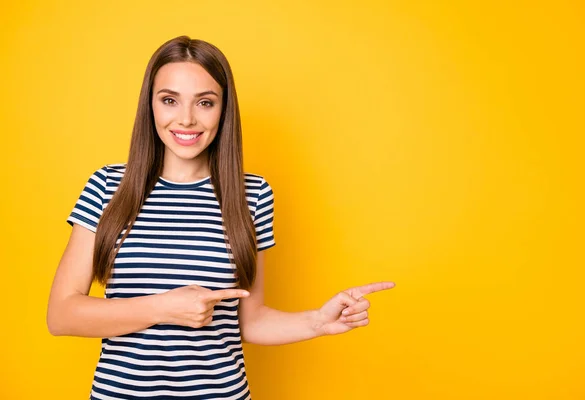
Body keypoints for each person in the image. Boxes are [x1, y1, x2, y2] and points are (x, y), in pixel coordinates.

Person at [46, 35, 395, 400]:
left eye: (205, 102)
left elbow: (250, 320)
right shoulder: (107, 186)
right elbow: (62, 315)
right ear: (150, 106)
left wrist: (318, 321)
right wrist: (164, 307)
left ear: (224, 109)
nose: (186, 119)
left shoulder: (253, 194)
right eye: (169, 100)